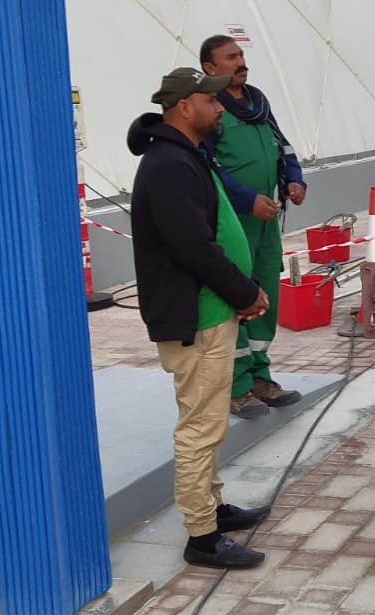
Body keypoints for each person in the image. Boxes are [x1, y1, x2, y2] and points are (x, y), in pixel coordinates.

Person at [129, 67, 274, 570]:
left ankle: (212, 506)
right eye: (210, 101)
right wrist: (245, 292)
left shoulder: (188, 154)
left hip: (213, 309)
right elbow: (192, 246)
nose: (219, 107)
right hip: (198, 316)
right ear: (184, 107)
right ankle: (202, 536)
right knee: (200, 427)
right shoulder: (169, 164)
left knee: (208, 421)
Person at [198, 34, 307, 413]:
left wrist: (294, 178)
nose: (240, 62)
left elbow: (283, 146)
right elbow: (208, 167)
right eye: (231, 57)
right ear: (210, 67)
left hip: (265, 223)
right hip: (234, 225)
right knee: (238, 298)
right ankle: (237, 385)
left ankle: (261, 376)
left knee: (266, 297)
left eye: (241, 55)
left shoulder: (258, 103)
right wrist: (246, 200)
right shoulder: (211, 109)